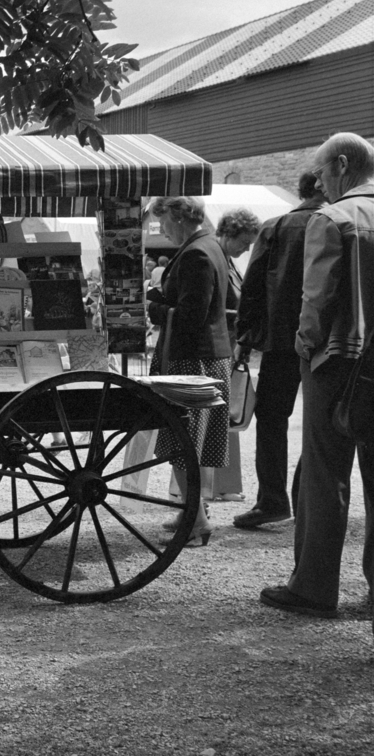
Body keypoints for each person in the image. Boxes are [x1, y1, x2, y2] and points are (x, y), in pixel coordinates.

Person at [261, 133, 374, 619]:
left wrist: (303, 347)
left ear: (342, 165)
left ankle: (313, 586)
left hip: (338, 361)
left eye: (324, 173)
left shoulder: (333, 219)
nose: (322, 184)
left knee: (324, 474)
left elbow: (316, 301)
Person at [233, 173, 326, 529]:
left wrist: (245, 338)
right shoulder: (342, 222)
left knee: (272, 419)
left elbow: (252, 286)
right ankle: (308, 499)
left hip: (281, 339)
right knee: (324, 424)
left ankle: (273, 500)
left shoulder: (277, 227)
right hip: (329, 341)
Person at [145, 195, 231, 545]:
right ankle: (192, 511)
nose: (163, 231)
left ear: (178, 218)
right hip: (207, 354)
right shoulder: (209, 245)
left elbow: (191, 316)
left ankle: (196, 523)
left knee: (181, 442)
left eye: (164, 223)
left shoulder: (196, 253)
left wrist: (154, 306)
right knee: (193, 442)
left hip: (192, 359)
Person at [208, 207, 262, 503]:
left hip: (229, 347)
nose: (247, 248)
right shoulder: (219, 259)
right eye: (244, 241)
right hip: (221, 347)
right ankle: (218, 486)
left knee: (226, 417)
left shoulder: (227, 260)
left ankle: (222, 485)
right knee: (221, 417)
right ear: (229, 234)